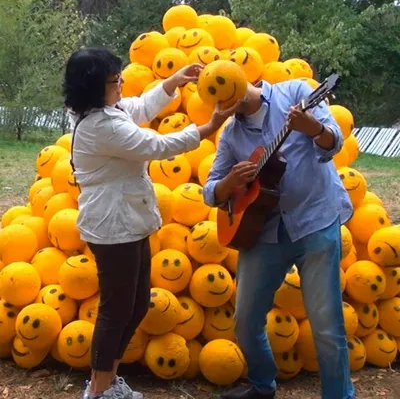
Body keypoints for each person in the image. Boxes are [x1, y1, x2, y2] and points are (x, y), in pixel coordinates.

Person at [63, 47, 236, 399]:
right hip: (113, 225)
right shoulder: (100, 125)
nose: (122, 83)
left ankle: (108, 380)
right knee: (115, 310)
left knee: (137, 304)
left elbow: (139, 108)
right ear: (94, 87)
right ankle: (97, 392)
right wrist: (208, 128)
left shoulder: (106, 110)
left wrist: (172, 82)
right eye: (115, 80)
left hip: (129, 219)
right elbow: (155, 145)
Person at [203, 79, 355, 399]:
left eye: (224, 89)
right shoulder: (231, 134)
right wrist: (231, 181)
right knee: (244, 320)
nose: (222, 102)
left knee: (326, 325)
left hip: (314, 220)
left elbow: (335, 142)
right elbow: (210, 191)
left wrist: (312, 127)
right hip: (262, 231)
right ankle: (262, 385)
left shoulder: (297, 93)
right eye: (216, 99)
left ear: (241, 76)